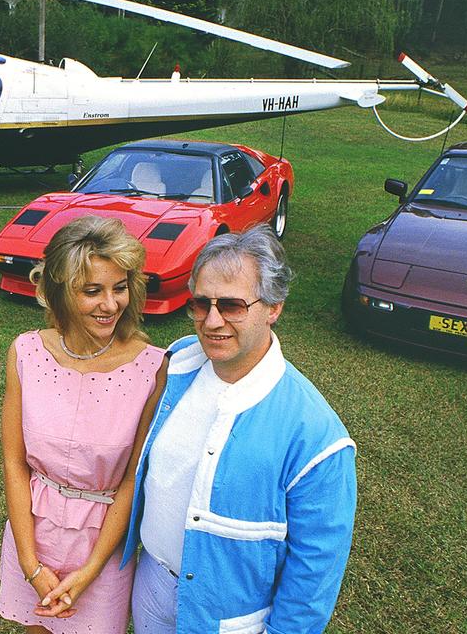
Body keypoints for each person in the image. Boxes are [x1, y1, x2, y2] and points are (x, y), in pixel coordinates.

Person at [123, 225, 357, 634]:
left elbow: (316, 567)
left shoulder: (318, 436)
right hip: (152, 585)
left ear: (274, 307)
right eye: (201, 303)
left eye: (231, 305)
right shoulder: (176, 363)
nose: (212, 321)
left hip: (230, 617)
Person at [0, 215, 169, 633]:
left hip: (102, 547)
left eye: (119, 288)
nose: (110, 304)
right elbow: (15, 463)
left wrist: (91, 569)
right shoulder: (25, 352)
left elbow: (132, 480)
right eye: (92, 291)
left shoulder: (154, 368)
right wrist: (30, 564)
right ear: (59, 291)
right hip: (32, 534)